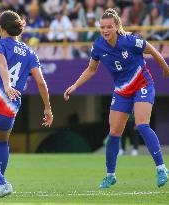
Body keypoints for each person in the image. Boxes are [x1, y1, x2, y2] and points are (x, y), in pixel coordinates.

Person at [64, 8, 169, 189]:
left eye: (109, 27)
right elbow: (91, 69)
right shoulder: (98, 46)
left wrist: (165, 68)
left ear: (117, 26)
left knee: (142, 125)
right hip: (121, 91)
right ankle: (110, 175)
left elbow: (152, 50)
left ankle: (161, 169)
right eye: (102, 27)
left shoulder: (130, 40)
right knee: (114, 133)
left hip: (142, 85)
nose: (105, 30)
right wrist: (75, 85)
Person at [0, 10, 53, 197]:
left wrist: (6, 85)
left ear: (1, 28)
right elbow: (41, 82)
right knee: (2, 143)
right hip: (10, 108)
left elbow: (2, 65)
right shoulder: (31, 53)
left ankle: (2, 183)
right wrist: (47, 108)